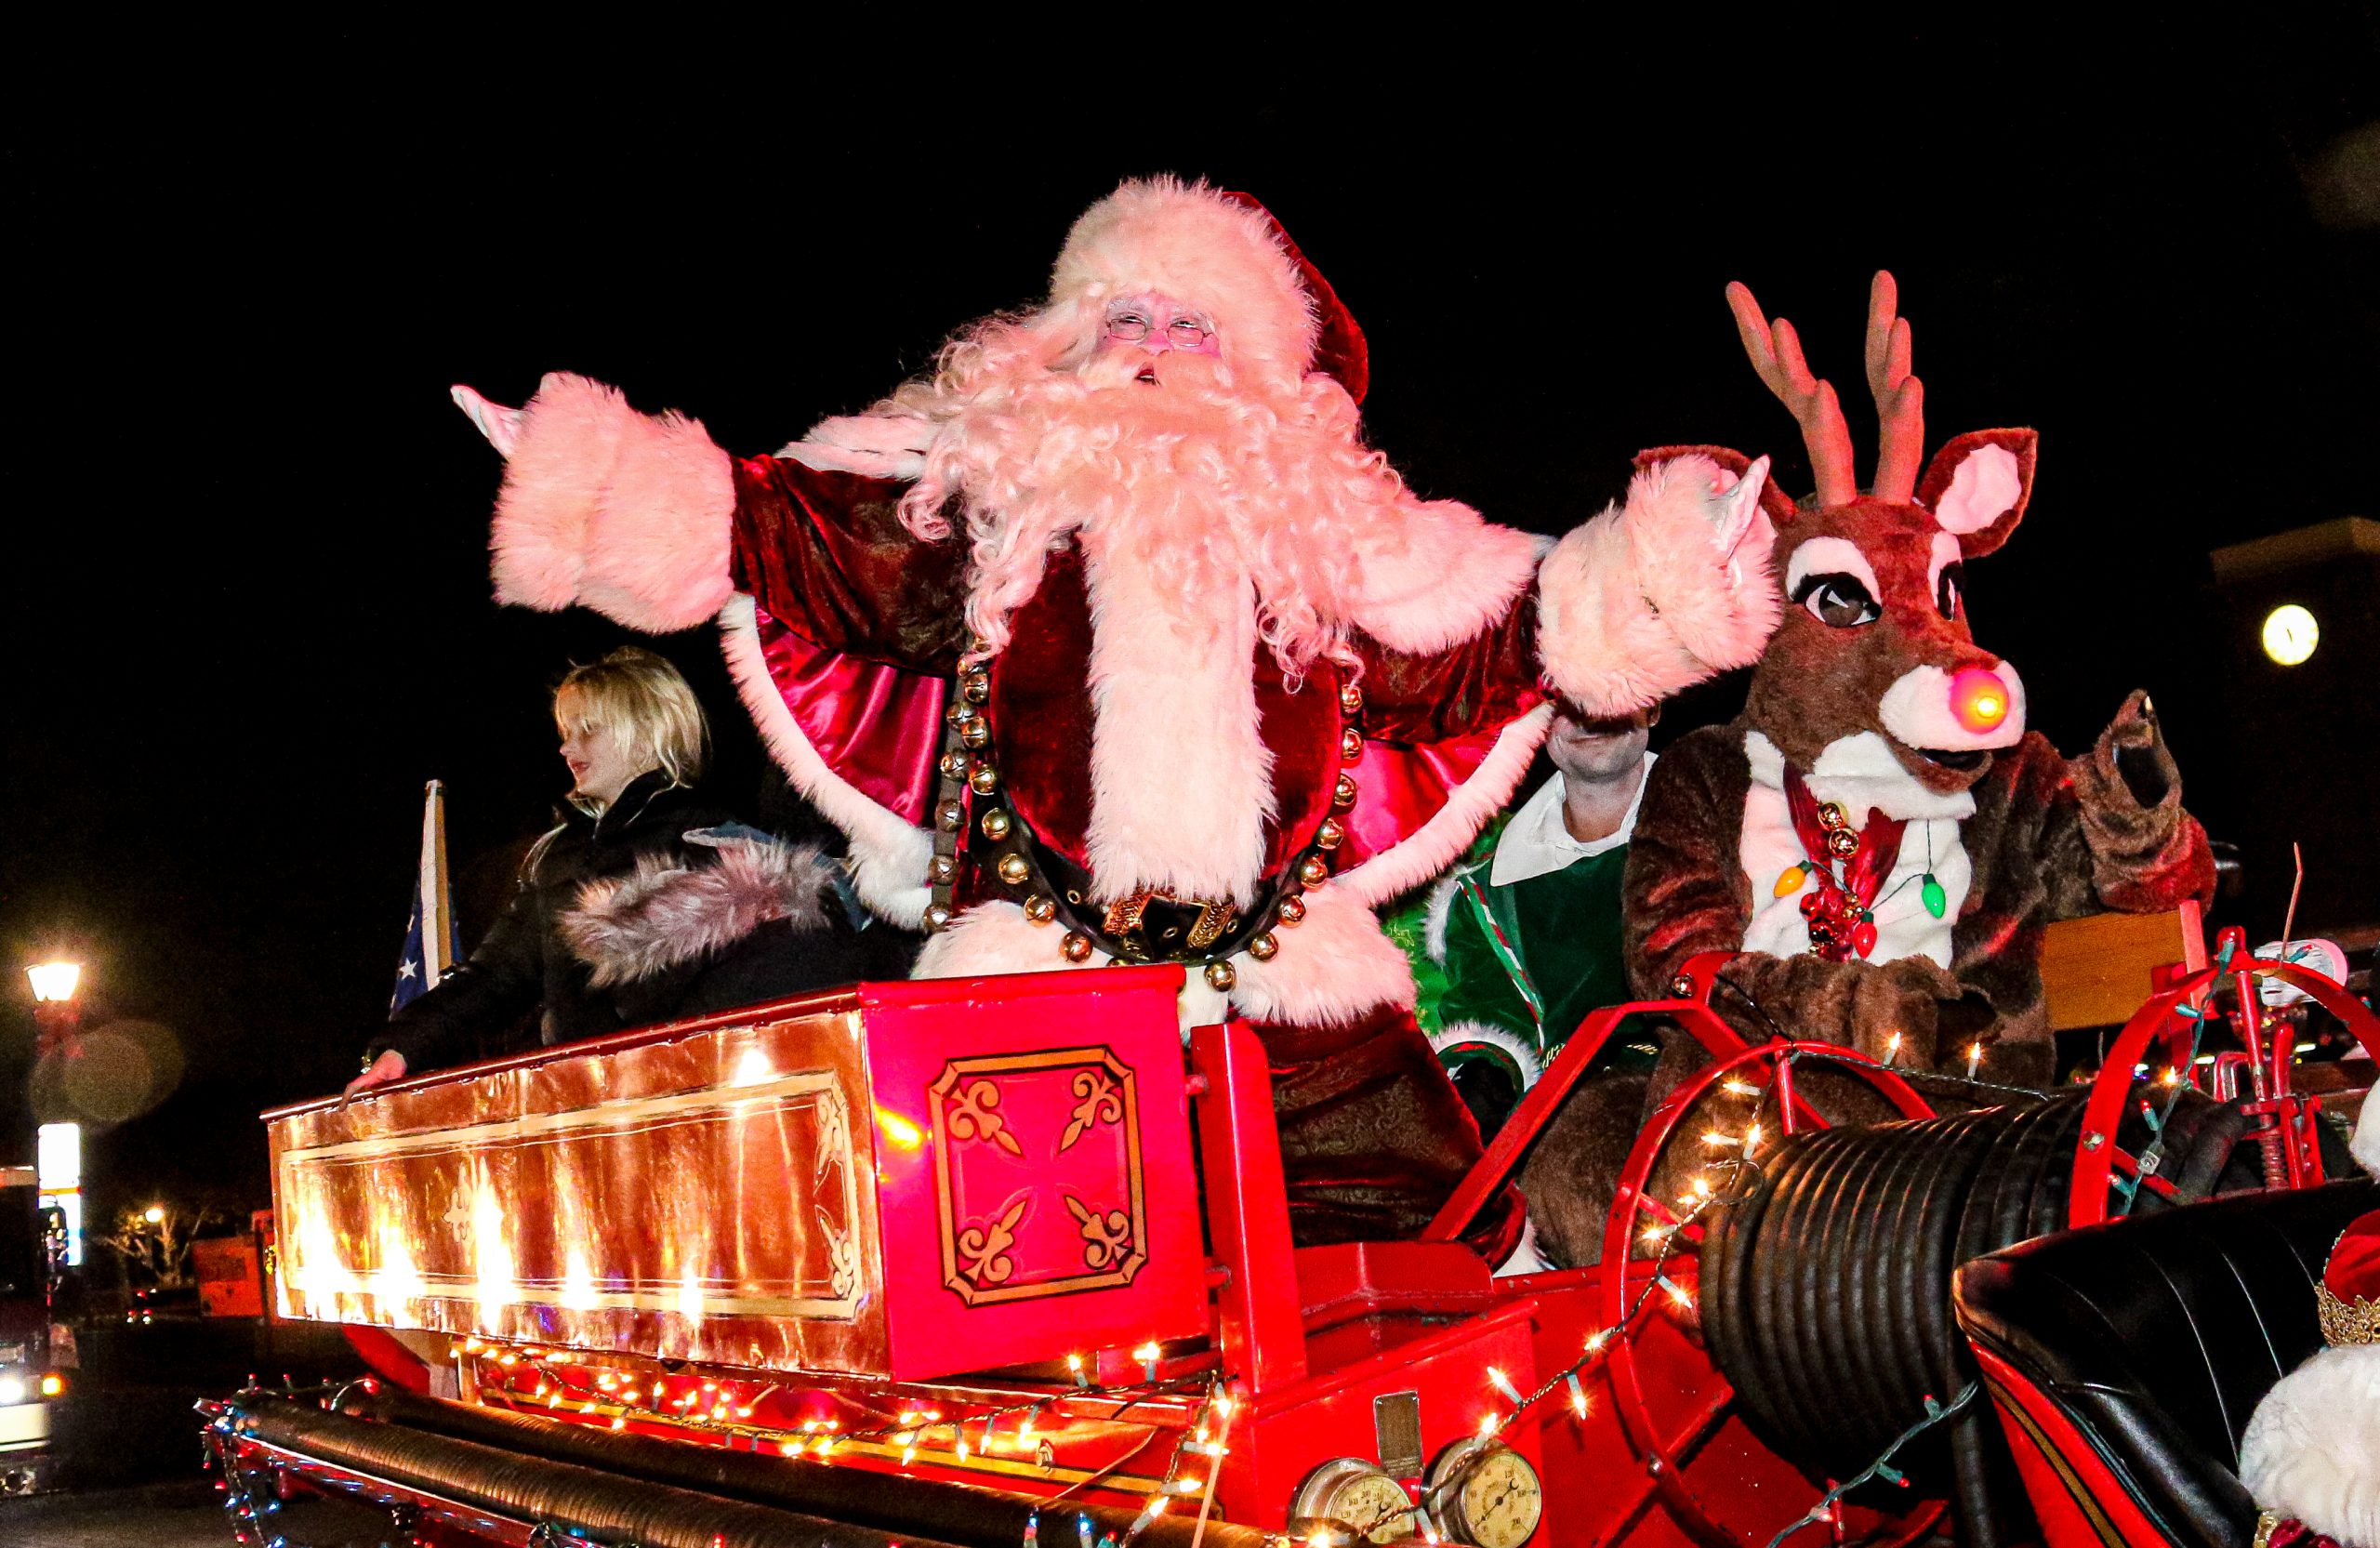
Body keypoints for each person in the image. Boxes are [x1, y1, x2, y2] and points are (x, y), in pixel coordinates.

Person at [450, 178, 1780, 1250]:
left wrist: (1662, 569)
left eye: (1188, 325)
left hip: (1294, 994)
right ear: (1060, 344)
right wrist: (597, 477)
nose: (1149, 349)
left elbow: (1501, 630)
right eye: (1122, 319)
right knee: (1019, 1310)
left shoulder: (1336, 543)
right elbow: (793, 540)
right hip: (1032, 985)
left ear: (1256, 374)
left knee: (1418, 1254)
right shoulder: (984, 511)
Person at [345, 647, 874, 1096]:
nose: (566, 748)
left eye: (587, 730)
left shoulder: (714, 843)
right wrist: (402, 1045)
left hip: (687, 1104)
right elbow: (497, 977)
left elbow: (766, 993)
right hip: (585, 1111)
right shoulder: (558, 859)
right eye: (564, 732)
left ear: (646, 730)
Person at [1429, 700, 1662, 1141]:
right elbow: (1494, 1024)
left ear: (1654, 707)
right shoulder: (1489, 891)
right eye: (1568, 701)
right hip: (1560, 1135)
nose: (1593, 714)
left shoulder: (1737, 826)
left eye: (1613, 692)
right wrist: (1482, 1094)